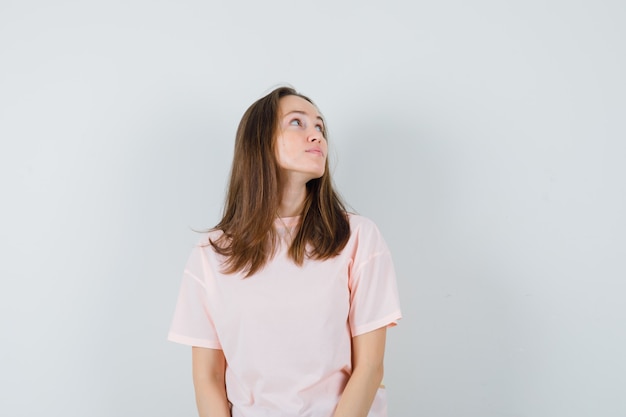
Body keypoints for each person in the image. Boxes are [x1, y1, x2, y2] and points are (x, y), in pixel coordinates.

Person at [168, 86, 402, 417]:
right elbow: (207, 378)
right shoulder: (212, 253)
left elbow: (370, 369)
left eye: (320, 127)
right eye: (298, 123)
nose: (316, 135)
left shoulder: (357, 238)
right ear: (259, 141)